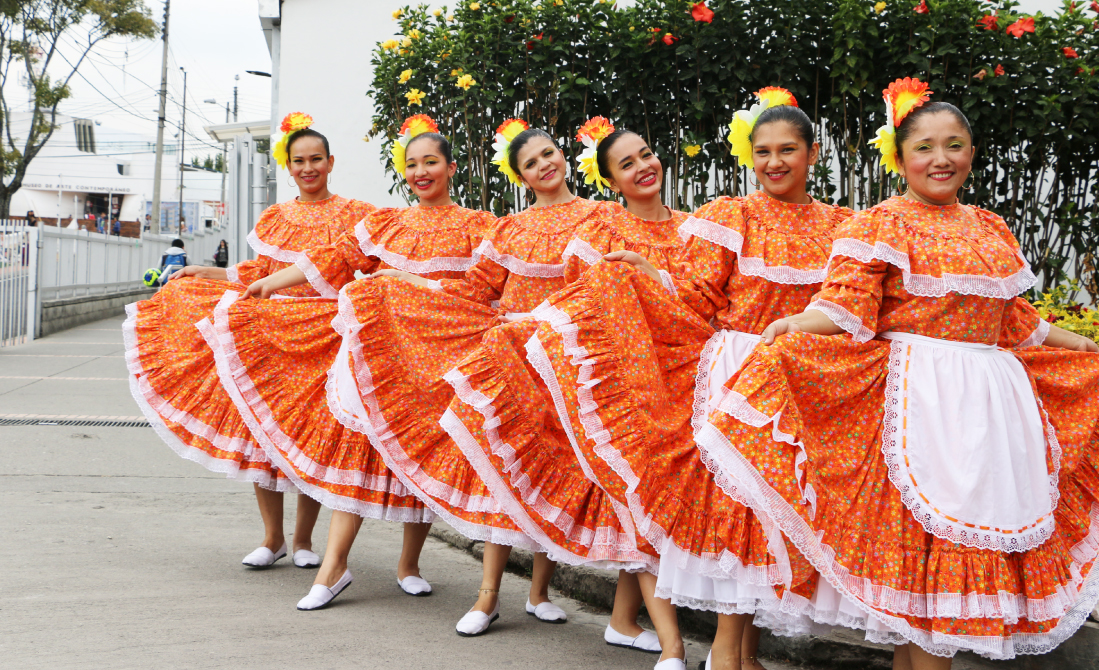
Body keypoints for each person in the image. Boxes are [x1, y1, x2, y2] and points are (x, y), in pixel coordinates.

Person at [691, 78, 1099, 669]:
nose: (940, 158)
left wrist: (1077, 341)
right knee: (931, 567)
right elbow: (847, 305)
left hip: (993, 410)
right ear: (900, 158)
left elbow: (1014, 321)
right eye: (924, 147)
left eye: (954, 145)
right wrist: (798, 324)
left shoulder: (990, 228)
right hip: (923, 404)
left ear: (972, 154)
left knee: (953, 572)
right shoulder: (881, 223)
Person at [492, 89, 853, 670]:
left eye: (788, 149)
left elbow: (854, 301)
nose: (775, 162)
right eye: (763, 151)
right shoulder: (730, 217)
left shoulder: (844, 226)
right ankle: (721, 655)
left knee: (779, 519)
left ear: (813, 153)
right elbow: (694, 298)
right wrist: (645, 274)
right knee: (741, 514)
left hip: (808, 383)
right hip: (739, 374)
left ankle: (737, 654)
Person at [436, 120, 697, 668]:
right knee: (514, 471)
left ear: (565, 156)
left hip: (583, 358)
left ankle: (553, 597)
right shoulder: (510, 229)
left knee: (592, 479)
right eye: (530, 163)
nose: (543, 166)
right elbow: (476, 288)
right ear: (521, 175)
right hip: (523, 353)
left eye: (548, 154)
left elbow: (604, 292)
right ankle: (489, 596)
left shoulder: (603, 217)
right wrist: (412, 287)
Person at [213, 115, 493, 610]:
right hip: (379, 357)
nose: (421, 172)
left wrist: (421, 292)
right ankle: (331, 568)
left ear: (450, 167)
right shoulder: (386, 223)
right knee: (356, 453)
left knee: (418, 461)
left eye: (431, 162)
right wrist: (267, 284)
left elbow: (487, 289)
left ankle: (409, 565)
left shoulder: (481, 226)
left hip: (440, 356)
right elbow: (331, 260)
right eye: (412, 164)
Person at [124, 113, 372, 573]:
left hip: (325, 335)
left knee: (312, 435)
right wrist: (208, 272)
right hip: (271, 334)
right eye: (299, 160)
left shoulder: (357, 214)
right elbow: (260, 273)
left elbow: (371, 262)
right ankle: (272, 537)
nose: (308, 167)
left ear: (331, 162)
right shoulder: (276, 217)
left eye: (316, 158)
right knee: (263, 435)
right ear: (289, 166)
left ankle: (302, 540)